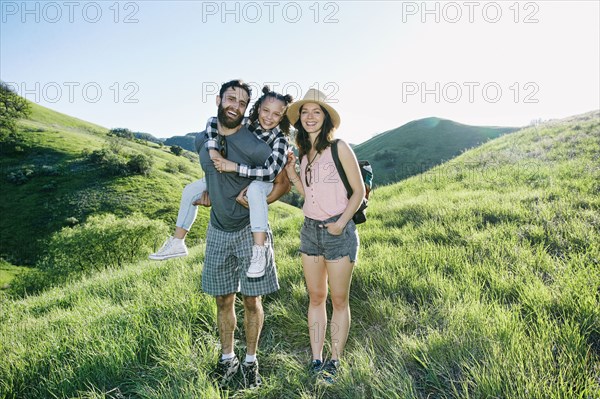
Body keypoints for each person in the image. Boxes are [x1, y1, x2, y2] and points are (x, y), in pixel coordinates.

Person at [196, 80, 290, 389]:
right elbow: (211, 174)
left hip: (251, 231)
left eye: (241, 101)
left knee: (252, 301)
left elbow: (281, 183)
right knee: (223, 300)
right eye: (230, 99)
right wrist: (210, 192)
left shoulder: (259, 145)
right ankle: (227, 360)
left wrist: (256, 198)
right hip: (218, 230)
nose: (235, 105)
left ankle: (250, 361)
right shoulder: (203, 138)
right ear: (219, 100)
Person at [149, 86, 293, 279]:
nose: (269, 117)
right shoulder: (245, 124)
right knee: (191, 190)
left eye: (276, 114)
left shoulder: (280, 140)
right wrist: (213, 151)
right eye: (266, 111)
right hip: (234, 179)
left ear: (282, 117)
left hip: (261, 182)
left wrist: (233, 166)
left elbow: (270, 173)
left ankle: (259, 250)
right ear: (258, 108)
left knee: (256, 189)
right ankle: (177, 241)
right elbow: (213, 122)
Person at [284, 89, 365, 384]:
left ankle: (334, 361)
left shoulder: (339, 147)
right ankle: (316, 359)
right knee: (316, 297)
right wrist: (293, 174)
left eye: (316, 112)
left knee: (339, 300)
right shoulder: (305, 154)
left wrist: (341, 223)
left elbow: (358, 192)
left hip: (338, 232)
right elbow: (308, 195)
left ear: (326, 118)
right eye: (304, 112)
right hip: (309, 232)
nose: (309, 117)